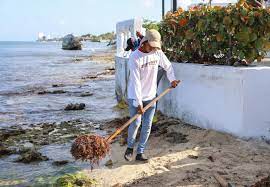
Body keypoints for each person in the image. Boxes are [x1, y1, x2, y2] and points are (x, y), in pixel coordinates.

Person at [125, 29, 179, 162]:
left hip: (151, 96)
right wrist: (138, 104)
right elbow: (136, 82)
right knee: (136, 123)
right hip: (135, 96)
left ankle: (140, 152)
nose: (154, 48)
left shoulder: (157, 52)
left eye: (156, 46)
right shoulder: (134, 57)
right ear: (144, 42)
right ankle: (130, 148)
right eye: (152, 45)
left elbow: (168, 66)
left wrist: (172, 79)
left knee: (147, 125)